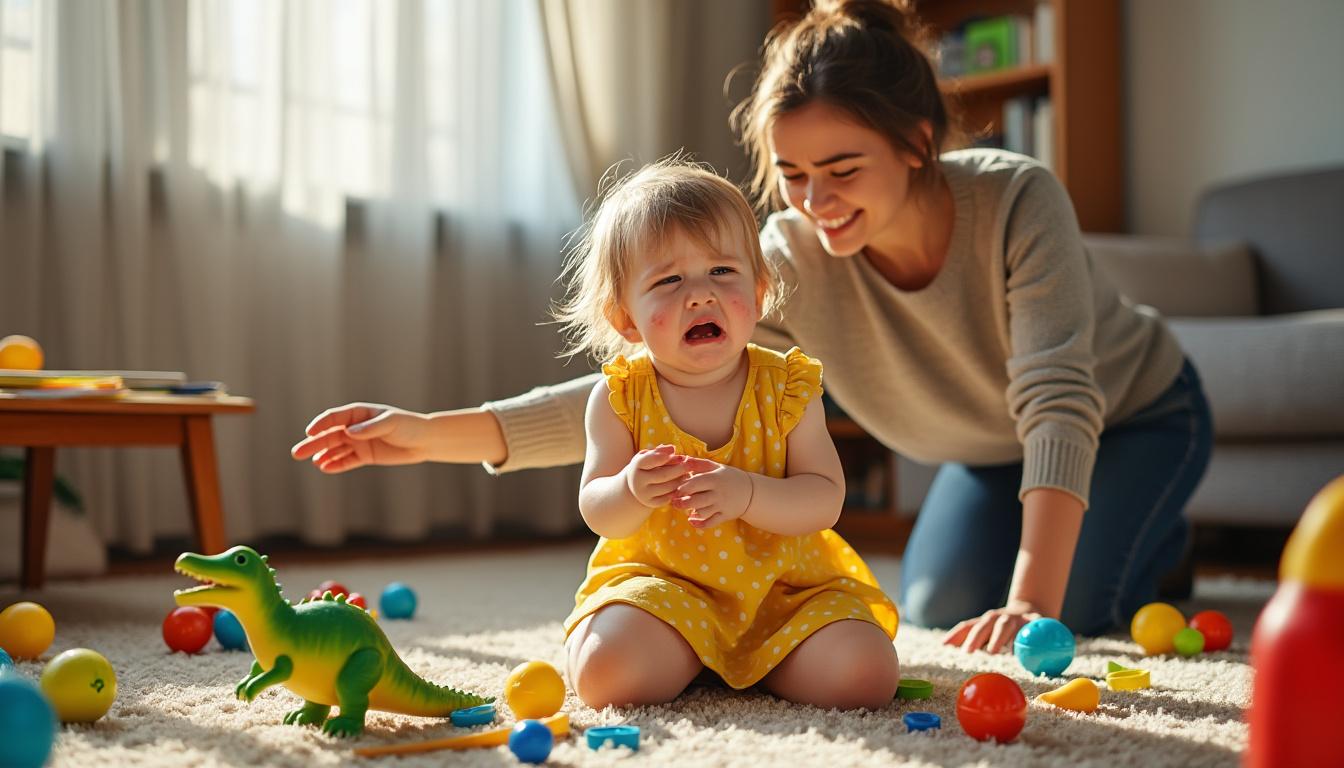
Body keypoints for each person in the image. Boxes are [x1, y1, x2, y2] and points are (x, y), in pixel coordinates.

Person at [292, 0, 1212, 656]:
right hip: (982, 452)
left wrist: (1031, 601)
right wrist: (423, 436)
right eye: (793, 174)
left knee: (1060, 613)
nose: (817, 201)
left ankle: (1158, 549)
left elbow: (1059, 400)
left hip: (1133, 418)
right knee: (938, 614)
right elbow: (636, 380)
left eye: (843, 167)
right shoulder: (786, 258)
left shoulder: (1016, 196)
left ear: (918, 142)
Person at [550, 158, 898, 709]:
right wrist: (631, 490)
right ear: (625, 318)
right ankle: (684, 651)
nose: (699, 295)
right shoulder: (620, 396)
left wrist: (749, 494)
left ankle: (761, 661)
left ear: (759, 293)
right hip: (663, 591)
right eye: (668, 280)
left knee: (867, 674)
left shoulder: (787, 388)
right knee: (606, 674)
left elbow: (824, 499)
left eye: (722, 272)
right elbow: (597, 509)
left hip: (784, 594)